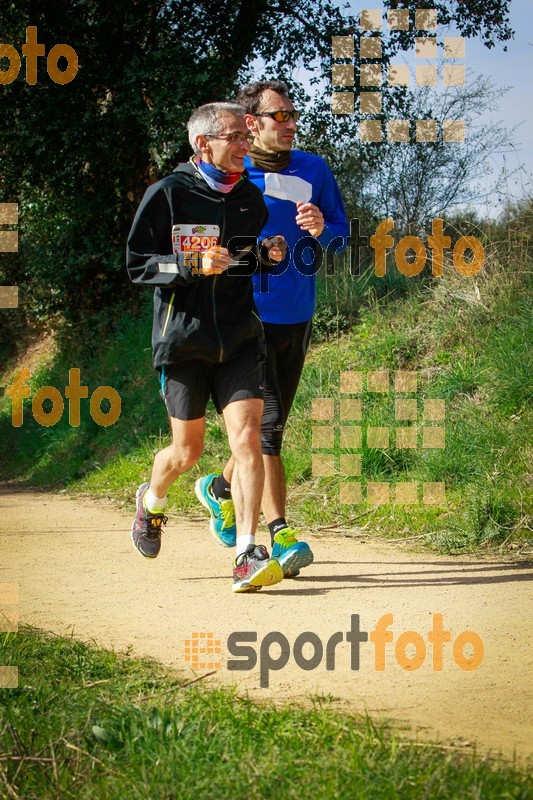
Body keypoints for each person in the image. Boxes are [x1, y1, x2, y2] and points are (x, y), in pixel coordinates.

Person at [126, 101, 285, 593]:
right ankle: (151, 504)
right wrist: (191, 265)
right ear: (204, 144)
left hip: (238, 338)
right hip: (184, 343)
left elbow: (239, 260)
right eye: (237, 136)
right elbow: (138, 266)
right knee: (186, 452)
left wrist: (264, 256)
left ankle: (247, 551)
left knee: (248, 437)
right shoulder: (168, 195)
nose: (247, 144)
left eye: (249, 135)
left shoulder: (249, 201)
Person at [195, 81, 349, 578]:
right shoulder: (232, 175)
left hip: (297, 313)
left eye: (292, 114)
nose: (289, 124)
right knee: (269, 430)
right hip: (247, 315)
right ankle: (278, 534)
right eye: (277, 116)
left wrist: (324, 228)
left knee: (264, 428)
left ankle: (220, 488)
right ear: (252, 122)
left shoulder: (314, 169)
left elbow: (344, 239)